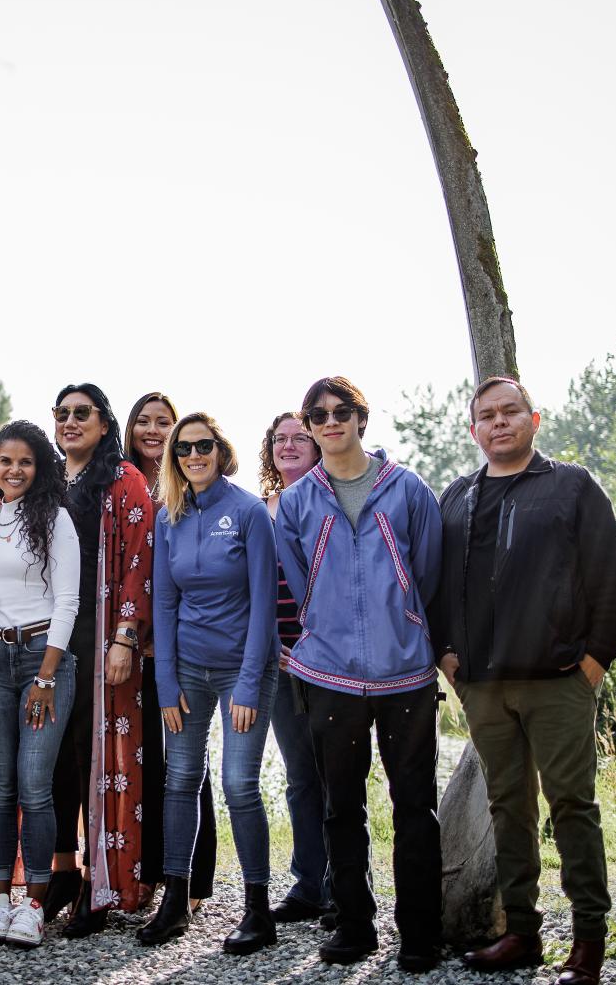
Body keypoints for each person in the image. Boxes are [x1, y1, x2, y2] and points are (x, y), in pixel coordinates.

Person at [432, 377, 616, 985]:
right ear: (474, 430)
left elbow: (611, 575)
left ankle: (589, 942)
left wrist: (595, 659)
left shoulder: (571, 486)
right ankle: (521, 932)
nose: (499, 422)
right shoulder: (457, 498)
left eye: (510, 411)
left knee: (572, 806)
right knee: (507, 808)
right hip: (485, 686)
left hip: (558, 680)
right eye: (487, 416)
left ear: (533, 419)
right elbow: (436, 582)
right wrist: (446, 656)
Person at [274, 376, 444, 973]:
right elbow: (301, 586)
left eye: (340, 411)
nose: (329, 422)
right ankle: (354, 926)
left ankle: (420, 933)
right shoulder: (296, 503)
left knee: (415, 805)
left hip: (407, 675)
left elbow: (427, 572)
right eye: (317, 415)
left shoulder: (408, 490)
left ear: (360, 418)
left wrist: (407, 621)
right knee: (340, 807)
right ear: (311, 426)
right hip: (331, 676)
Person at [139, 412, 279, 955]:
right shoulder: (167, 518)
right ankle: (176, 901)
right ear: (174, 459)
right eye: (183, 449)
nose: (193, 456)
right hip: (187, 672)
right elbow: (166, 603)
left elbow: (265, 604)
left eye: (203, 446)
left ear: (220, 450)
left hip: (244, 669)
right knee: (179, 779)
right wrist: (167, 680)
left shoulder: (247, 513)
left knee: (240, 783)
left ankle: (257, 910)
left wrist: (248, 684)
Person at [0, 420, 81, 949]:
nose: (14, 470)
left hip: (44, 659)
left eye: (26, 462)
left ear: (40, 469)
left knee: (34, 784)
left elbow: (68, 603)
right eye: (5, 461)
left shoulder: (56, 520)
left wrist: (46, 675)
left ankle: (34, 902)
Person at [50, 383, 153, 938]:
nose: (70, 421)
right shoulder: (49, 480)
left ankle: (100, 883)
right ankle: (61, 872)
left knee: (99, 761)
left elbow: (140, 559)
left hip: (101, 636)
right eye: (62, 413)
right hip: (49, 638)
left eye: (81, 413)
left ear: (104, 422)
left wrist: (125, 637)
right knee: (56, 760)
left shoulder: (123, 480)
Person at [123, 391, 217, 915]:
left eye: (164, 422)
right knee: (147, 763)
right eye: (145, 421)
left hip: (179, 644)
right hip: (127, 643)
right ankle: (154, 872)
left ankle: (195, 878)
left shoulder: (189, 490)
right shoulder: (121, 485)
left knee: (186, 760)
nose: (153, 430)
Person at [258, 412, 336, 928]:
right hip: (279, 660)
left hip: (329, 660)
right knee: (300, 776)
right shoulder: (259, 508)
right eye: (280, 439)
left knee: (338, 776)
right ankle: (308, 883)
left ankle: (345, 886)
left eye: (299, 438)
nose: (289, 445)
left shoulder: (331, 498)